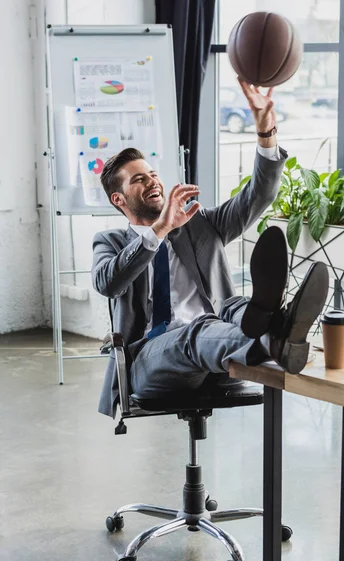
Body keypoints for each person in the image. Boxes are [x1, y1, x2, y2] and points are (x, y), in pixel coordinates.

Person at [92, 81, 329, 418]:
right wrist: (160, 229)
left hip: (218, 344)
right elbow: (108, 282)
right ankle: (272, 342)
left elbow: (258, 196)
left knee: (236, 310)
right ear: (119, 199)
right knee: (199, 331)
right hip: (150, 360)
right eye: (139, 180)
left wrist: (265, 131)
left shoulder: (201, 223)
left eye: (153, 174)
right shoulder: (110, 243)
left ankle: (275, 326)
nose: (153, 181)